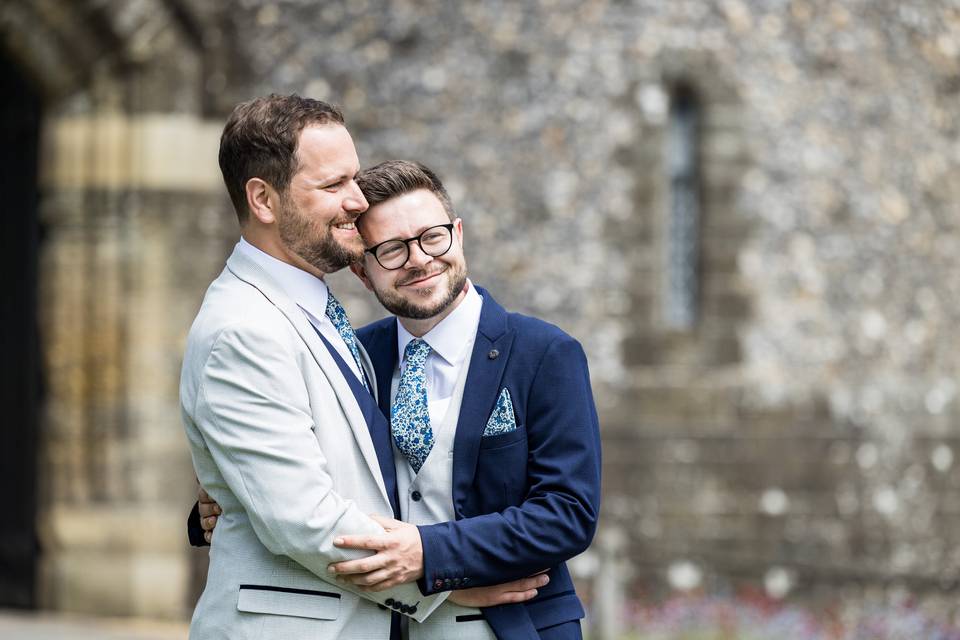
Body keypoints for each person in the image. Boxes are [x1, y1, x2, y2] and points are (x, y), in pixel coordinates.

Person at [181, 95, 542, 640]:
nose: (358, 200)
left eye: (354, 177)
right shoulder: (245, 329)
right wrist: (437, 576)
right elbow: (304, 520)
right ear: (263, 199)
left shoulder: (317, 310)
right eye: (333, 185)